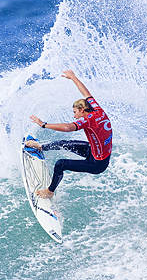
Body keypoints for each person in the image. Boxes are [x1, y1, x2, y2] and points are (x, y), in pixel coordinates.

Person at [27, 70, 113, 198]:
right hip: (95, 152)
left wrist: (43, 124)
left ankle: (50, 191)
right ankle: (40, 147)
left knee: (60, 164)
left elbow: (68, 127)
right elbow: (86, 93)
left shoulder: (88, 120)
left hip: (97, 164)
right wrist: (73, 77)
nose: (74, 116)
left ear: (82, 110)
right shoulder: (97, 109)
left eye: (75, 112)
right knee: (64, 144)